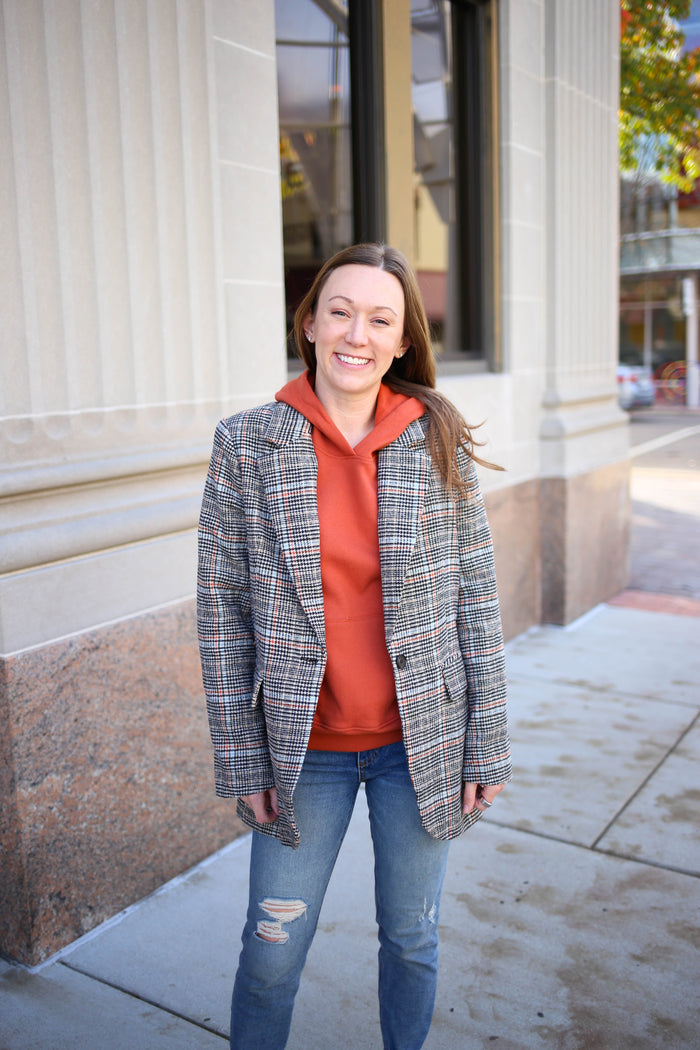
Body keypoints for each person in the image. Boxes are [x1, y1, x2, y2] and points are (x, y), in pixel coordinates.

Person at [197, 243, 511, 1050]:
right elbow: (223, 612)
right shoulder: (247, 444)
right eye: (339, 311)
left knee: (412, 939)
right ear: (309, 322)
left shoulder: (434, 436)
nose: (356, 334)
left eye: (381, 319)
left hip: (422, 746)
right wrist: (244, 760)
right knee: (271, 954)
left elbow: (476, 596)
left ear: (404, 341)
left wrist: (488, 746)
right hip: (307, 755)